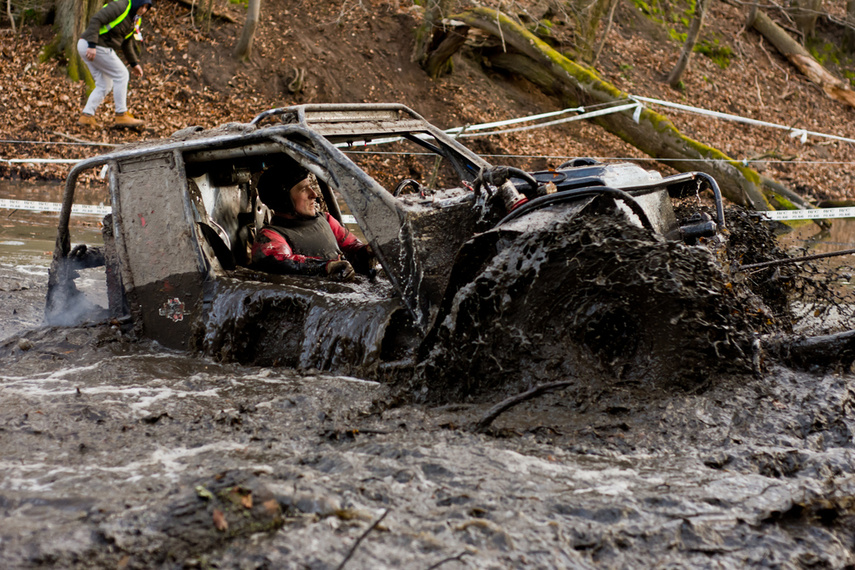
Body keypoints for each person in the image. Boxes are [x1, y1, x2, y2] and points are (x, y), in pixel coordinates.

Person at [251, 163, 375, 282]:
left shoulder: (325, 220)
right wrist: (326, 267)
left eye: (310, 186)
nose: (314, 194)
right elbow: (281, 262)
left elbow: (353, 246)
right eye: (304, 189)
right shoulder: (270, 236)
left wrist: (368, 251)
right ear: (283, 199)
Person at [77, 0, 152, 128]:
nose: (143, 10)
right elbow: (96, 20)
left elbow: (126, 42)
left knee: (104, 84)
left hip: (90, 46)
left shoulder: (135, 19)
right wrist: (92, 45)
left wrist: (134, 64)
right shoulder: (120, 6)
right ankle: (121, 114)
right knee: (121, 75)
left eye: (146, 8)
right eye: (142, 6)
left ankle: (86, 116)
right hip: (93, 46)